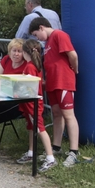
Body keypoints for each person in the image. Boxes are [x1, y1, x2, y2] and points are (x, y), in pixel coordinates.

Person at [29, 17, 79, 167]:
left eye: (36, 35)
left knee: (68, 115)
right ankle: (56, 147)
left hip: (63, 82)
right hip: (52, 84)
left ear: (42, 27)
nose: (37, 38)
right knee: (56, 114)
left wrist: (74, 70)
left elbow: (73, 55)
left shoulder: (59, 35)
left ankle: (74, 151)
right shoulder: (49, 42)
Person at [16, 39, 56, 172]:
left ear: (26, 52)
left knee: (40, 129)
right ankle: (31, 152)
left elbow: (28, 87)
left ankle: (50, 158)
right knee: (32, 127)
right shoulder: (35, 65)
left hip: (32, 103)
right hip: (30, 102)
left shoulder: (30, 67)